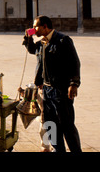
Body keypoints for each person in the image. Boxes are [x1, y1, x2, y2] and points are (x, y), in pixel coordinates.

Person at [23, 15, 81, 152]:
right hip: (46, 90)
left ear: (45, 27)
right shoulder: (42, 43)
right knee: (50, 124)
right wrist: (28, 37)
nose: (34, 29)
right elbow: (32, 50)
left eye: (36, 26)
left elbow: (74, 63)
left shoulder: (62, 40)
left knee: (66, 125)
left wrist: (73, 84)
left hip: (61, 90)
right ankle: (58, 149)